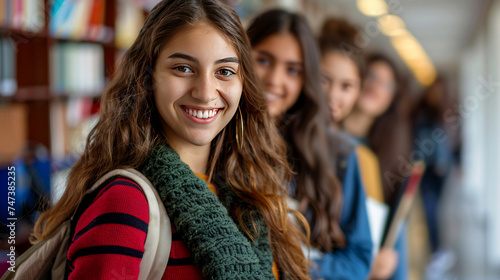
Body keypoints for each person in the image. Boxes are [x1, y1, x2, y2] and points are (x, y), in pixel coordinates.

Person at [31, 1, 310, 279]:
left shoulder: (248, 190)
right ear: (147, 77)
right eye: (183, 68)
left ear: (243, 84)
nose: (205, 92)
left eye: (224, 71)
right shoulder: (125, 201)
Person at [247, 9, 373, 280]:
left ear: (306, 80)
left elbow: (359, 259)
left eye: (293, 70)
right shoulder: (214, 137)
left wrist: (294, 265)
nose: (275, 80)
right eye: (264, 60)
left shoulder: (338, 154)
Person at [343, 53, 413, 280]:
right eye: (371, 76)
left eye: (387, 84)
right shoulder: (322, 138)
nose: (376, 86)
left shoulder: (389, 158)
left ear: (393, 97)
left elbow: (395, 232)